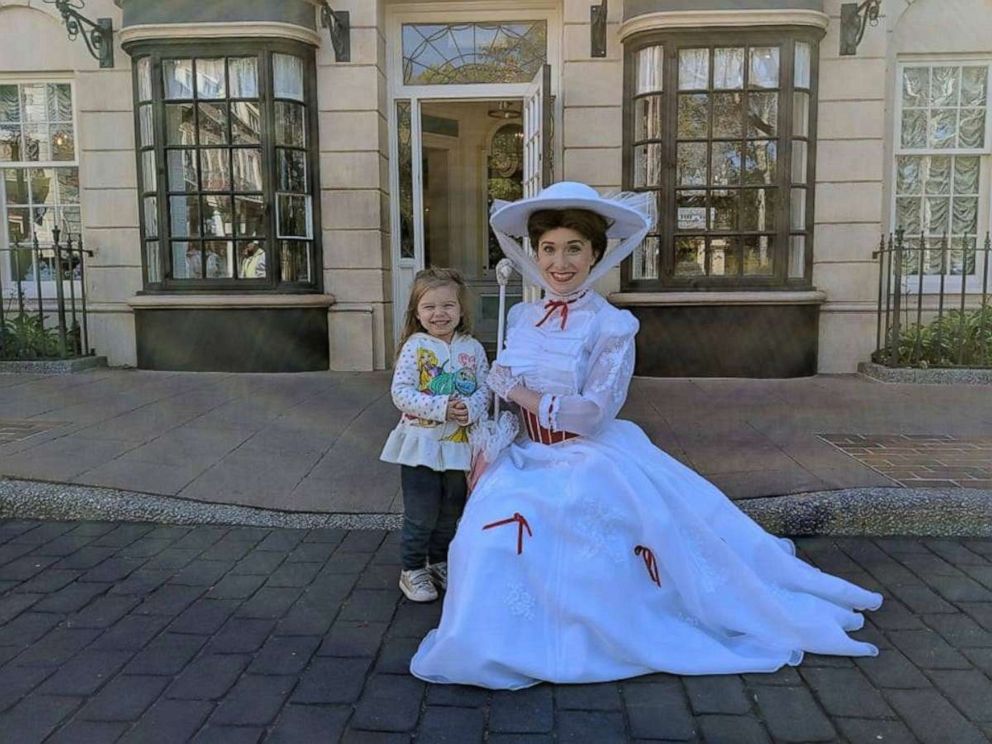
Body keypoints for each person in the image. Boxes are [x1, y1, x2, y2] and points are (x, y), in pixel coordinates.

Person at [410, 182, 882, 689]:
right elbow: (501, 392)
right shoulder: (522, 315)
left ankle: (587, 635)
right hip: (523, 453)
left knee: (584, 539)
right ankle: (497, 640)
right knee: (486, 542)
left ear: (596, 253)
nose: (559, 262)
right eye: (548, 249)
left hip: (587, 455)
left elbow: (592, 415)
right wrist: (494, 434)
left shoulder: (613, 325)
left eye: (574, 248)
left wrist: (520, 394)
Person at [381, 267, 491, 603]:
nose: (439, 314)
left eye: (447, 306)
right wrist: (442, 408)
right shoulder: (415, 348)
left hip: (459, 447)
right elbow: (401, 392)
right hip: (421, 447)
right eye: (429, 307)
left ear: (461, 310)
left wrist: (470, 409)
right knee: (421, 512)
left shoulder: (473, 349)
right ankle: (413, 568)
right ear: (417, 312)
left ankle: (440, 561)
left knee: (451, 511)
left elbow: (485, 388)